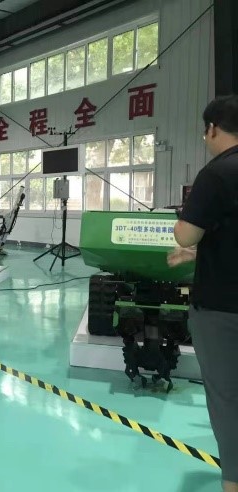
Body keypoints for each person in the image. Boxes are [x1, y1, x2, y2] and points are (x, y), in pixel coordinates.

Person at [168, 95, 238, 492]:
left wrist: (187, 237)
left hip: (223, 309)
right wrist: (200, 252)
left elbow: (185, 232)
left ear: (212, 129)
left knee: (228, 399)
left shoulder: (218, 173)